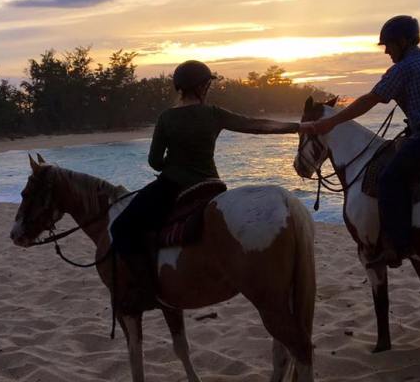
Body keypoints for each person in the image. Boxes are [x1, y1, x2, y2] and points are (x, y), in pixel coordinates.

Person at [111, 60, 300, 313]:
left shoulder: (167, 118)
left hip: (174, 186)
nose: (209, 87)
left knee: (122, 227)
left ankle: (146, 292)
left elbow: (154, 161)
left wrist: (175, 163)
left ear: (181, 88)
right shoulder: (213, 113)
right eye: (207, 83)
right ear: (201, 86)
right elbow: (255, 125)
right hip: (212, 185)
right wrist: (298, 128)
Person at [299, 15, 420, 267]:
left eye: (388, 45)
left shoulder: (402, 69)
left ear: (402, 41)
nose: (387, 51)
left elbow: (370, 99)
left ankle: (398, 247)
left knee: (389, 179)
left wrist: (332, 122)